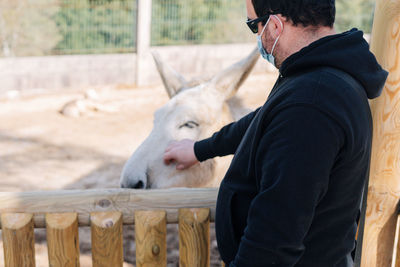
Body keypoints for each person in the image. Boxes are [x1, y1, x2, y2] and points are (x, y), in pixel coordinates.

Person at [163, 0, 388, 266]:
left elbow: (273, 239)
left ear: (275, 24)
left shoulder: (311, 105)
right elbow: (265, 118)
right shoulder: (322, 78)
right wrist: (201, 149)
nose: (257, 37)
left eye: (253, 25)